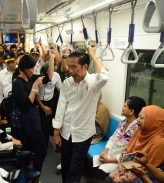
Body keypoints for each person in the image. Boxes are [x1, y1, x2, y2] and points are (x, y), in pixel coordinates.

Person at [53, 46, 109, 183]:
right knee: (66, 165)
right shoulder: (67, 83)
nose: (70, 70)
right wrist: (56, 131)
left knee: (75, 168)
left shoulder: (94, 82)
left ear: (85, 66)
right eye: (69, 66)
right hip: (66, 132)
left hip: (83, 134)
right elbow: (61, 107)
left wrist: (92, 55)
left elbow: (105, 76)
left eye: (74, 67)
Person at [11, 51, 55, 176]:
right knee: (38, 149)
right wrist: (35, 87)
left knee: (37, 149)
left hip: (34, 118)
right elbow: (26, 104)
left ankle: (34, 174)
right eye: (30, 68)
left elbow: (49, 77)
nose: (32, 70)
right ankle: (33, 174)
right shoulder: (17, 82)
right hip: (26, 119)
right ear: (23, 68)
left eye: (33, 67)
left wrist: (51, 58)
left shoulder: (30, 77)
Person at [109, 105, 164, 183]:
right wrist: (122, 163)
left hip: (139, 175)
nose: (137, 120)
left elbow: (147, 169)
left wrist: (123, 174)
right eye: (138, 117)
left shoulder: (160, 143)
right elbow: (127, 150)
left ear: (152, 121)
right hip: (128, 166)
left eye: (141, 118)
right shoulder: (140, 131)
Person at [93, 96, 146, 173]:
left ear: (131, 111)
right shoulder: (124, 122)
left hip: (120, 161)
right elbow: (113, 137)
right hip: (110, 153)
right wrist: (105, 150)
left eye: (125, 106)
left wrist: (110, 160)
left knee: (100, 172)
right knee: (92, 163)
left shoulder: (137, 130)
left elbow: (131, 154)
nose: (122, 108)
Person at [37, 64, 62, 147]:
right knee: (40, 126)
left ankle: (46, 145)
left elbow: (61, 89)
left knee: (47, 126)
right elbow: (36, 95)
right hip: (39, 103)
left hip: (50, 102)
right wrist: (43, 107)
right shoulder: (39, 77)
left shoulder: (56, 76)